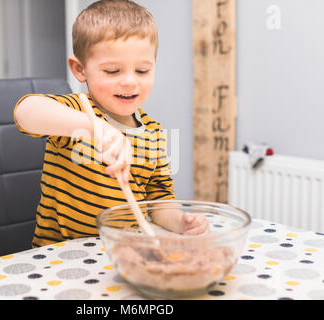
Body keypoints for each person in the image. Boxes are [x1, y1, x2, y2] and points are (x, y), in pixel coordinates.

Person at [14, 0, 209, 248]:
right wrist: (93, 127)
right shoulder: (77, 111)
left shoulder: (154, 132)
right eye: (113, 71)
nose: (129, 81)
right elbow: (26, 111)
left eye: (142, 70)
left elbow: (159, 199)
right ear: (80, 69)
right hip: (60, 257)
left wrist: (181, 221)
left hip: (122, 253)